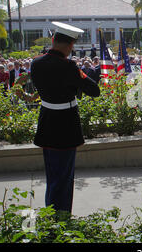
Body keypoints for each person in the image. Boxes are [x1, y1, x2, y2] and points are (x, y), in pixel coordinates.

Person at [30, 22, 100, 215]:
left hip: (47, 121)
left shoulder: (36, 63)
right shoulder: (69, 66)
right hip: (66, 125)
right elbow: (94, 90)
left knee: (52, 175)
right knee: (64, 178)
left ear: (53, 41)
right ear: (70, 46)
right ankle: (60, 219)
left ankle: (50, 214)